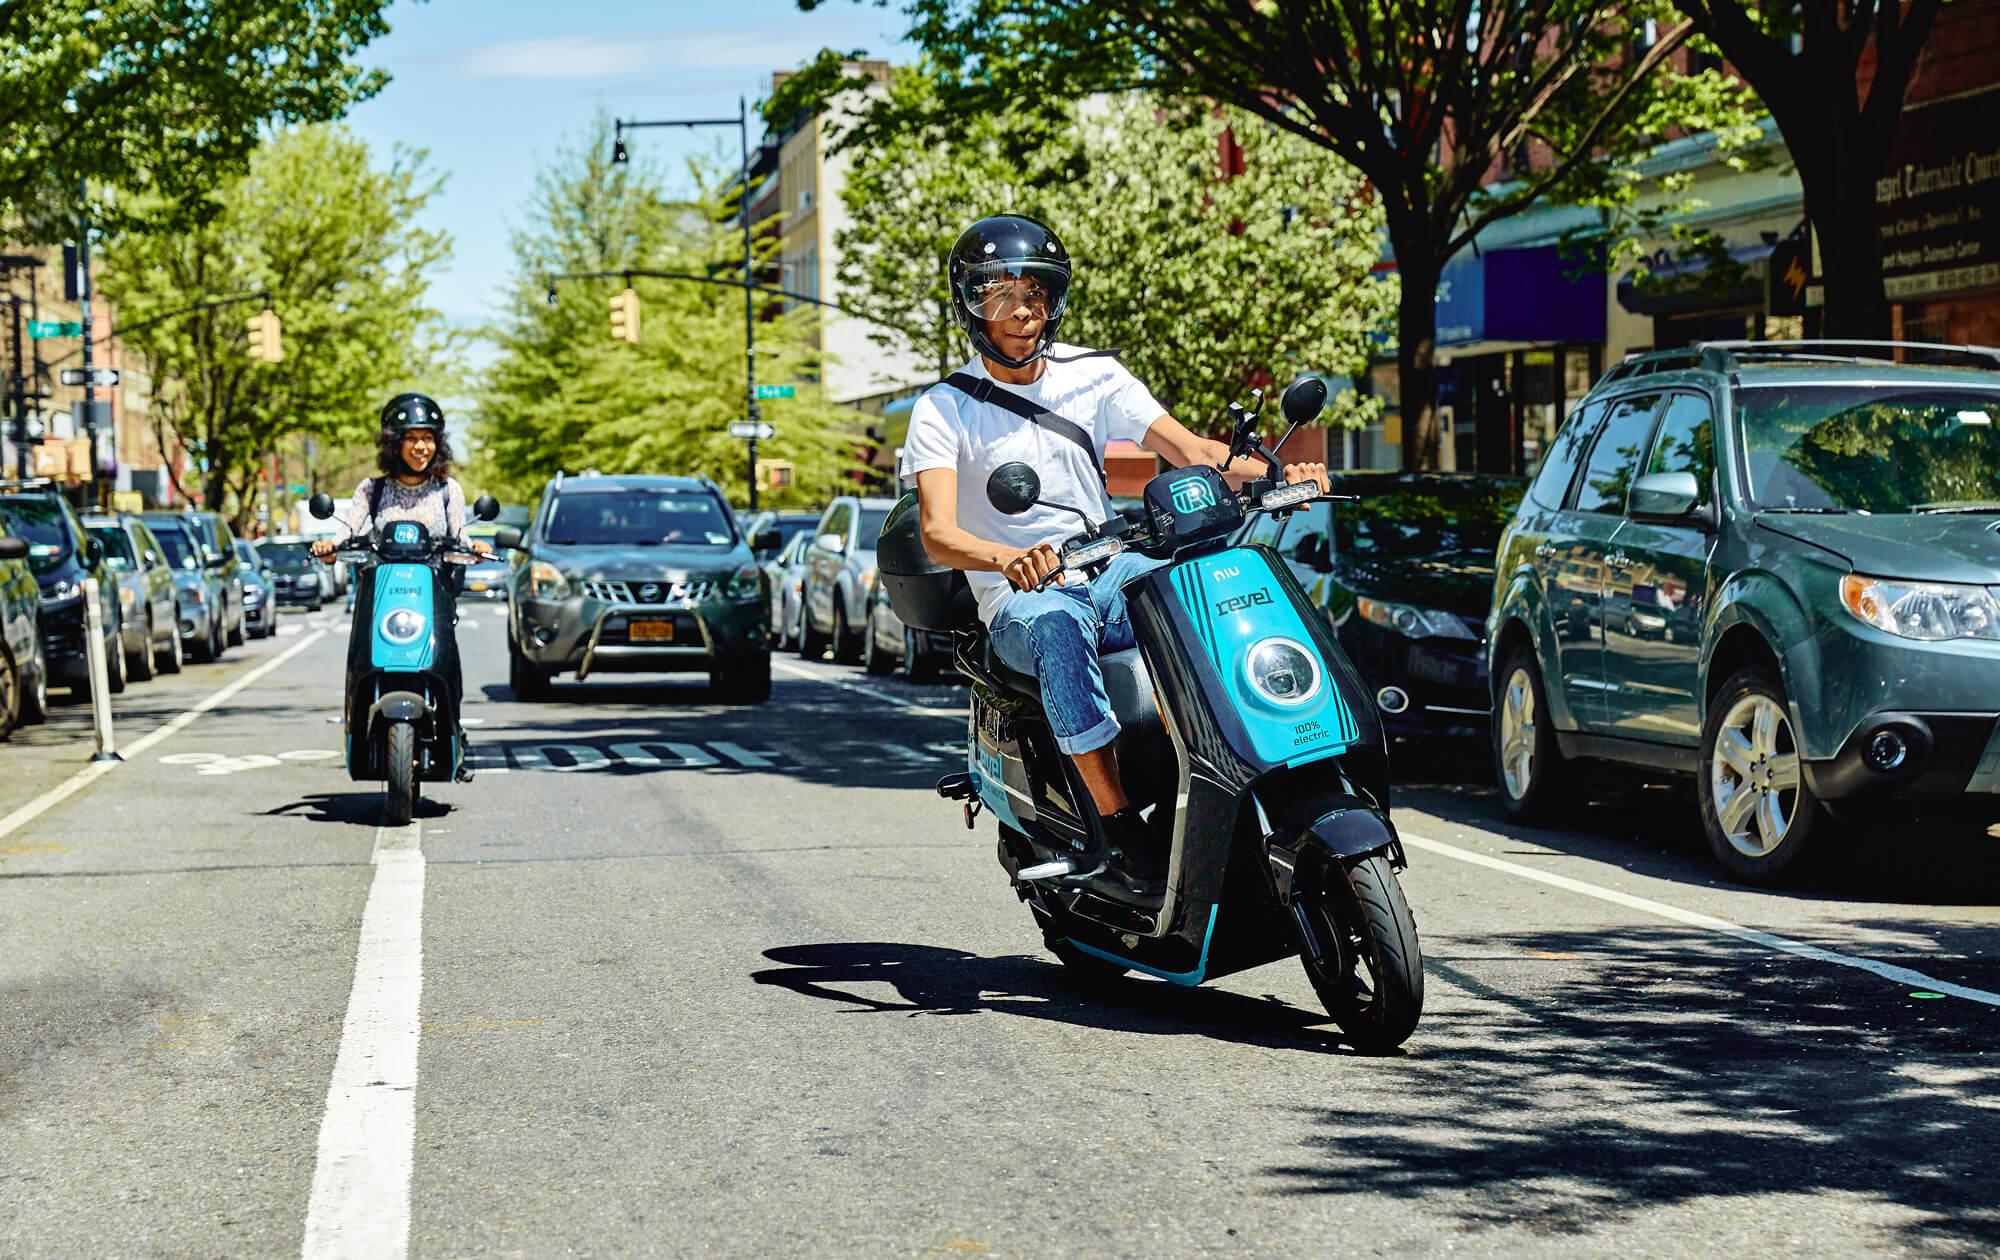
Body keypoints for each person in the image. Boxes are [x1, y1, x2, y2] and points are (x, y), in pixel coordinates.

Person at [900, 214, 1329, 879]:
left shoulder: (1095, 374)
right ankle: (1118, 829)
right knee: (1058, 621)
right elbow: (937, 530)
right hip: (1021, 596)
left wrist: (1281, 476)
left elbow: (1195, 453)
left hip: (1105, 567)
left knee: (1194, 589)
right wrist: (1007, 558)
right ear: (970, 303)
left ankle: (1232, 762)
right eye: (1000, 293)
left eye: (1035, 291)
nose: (1021, 309)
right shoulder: (944, 407)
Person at [313, 393, 491, 779]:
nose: (420, 447)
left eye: (427, 438)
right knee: (362, 660)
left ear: (438, 443)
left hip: (433, 594)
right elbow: (347, 530)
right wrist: (330, 546)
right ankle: (355, 728)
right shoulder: (371, 490)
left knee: (447, 662)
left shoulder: (448, 490)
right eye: (410, 438)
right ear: (394, 443)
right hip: (381, 593)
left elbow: (461, 535)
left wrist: (475, 547)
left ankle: (454, 732)